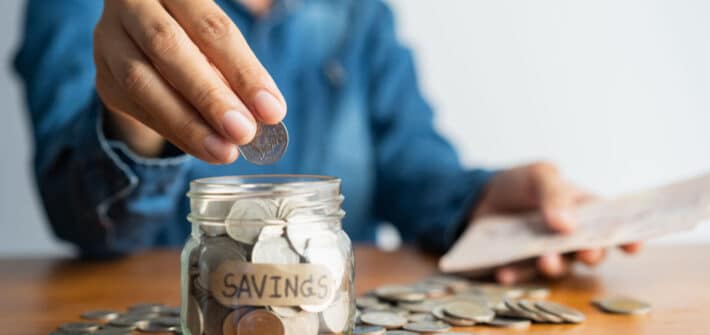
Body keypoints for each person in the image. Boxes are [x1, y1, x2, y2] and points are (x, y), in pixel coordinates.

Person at [14, 0, 640, 284]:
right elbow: (83, 217)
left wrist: (479, 201)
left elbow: (410, 166)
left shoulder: (358, 11)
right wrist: (136, 119)